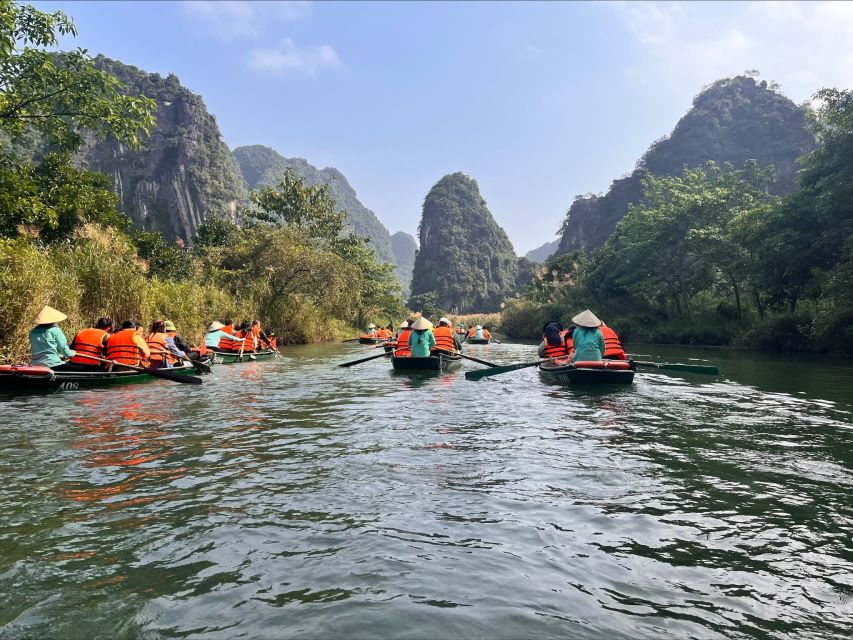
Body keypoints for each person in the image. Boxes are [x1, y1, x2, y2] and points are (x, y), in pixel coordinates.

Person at [29, 305, 77, 370]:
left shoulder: (32, 332)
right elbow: (64, 350)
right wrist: (72, 353)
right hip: (53, 365)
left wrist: (60, 355)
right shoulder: (55, 330)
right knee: (82, 369)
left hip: (35, 365)